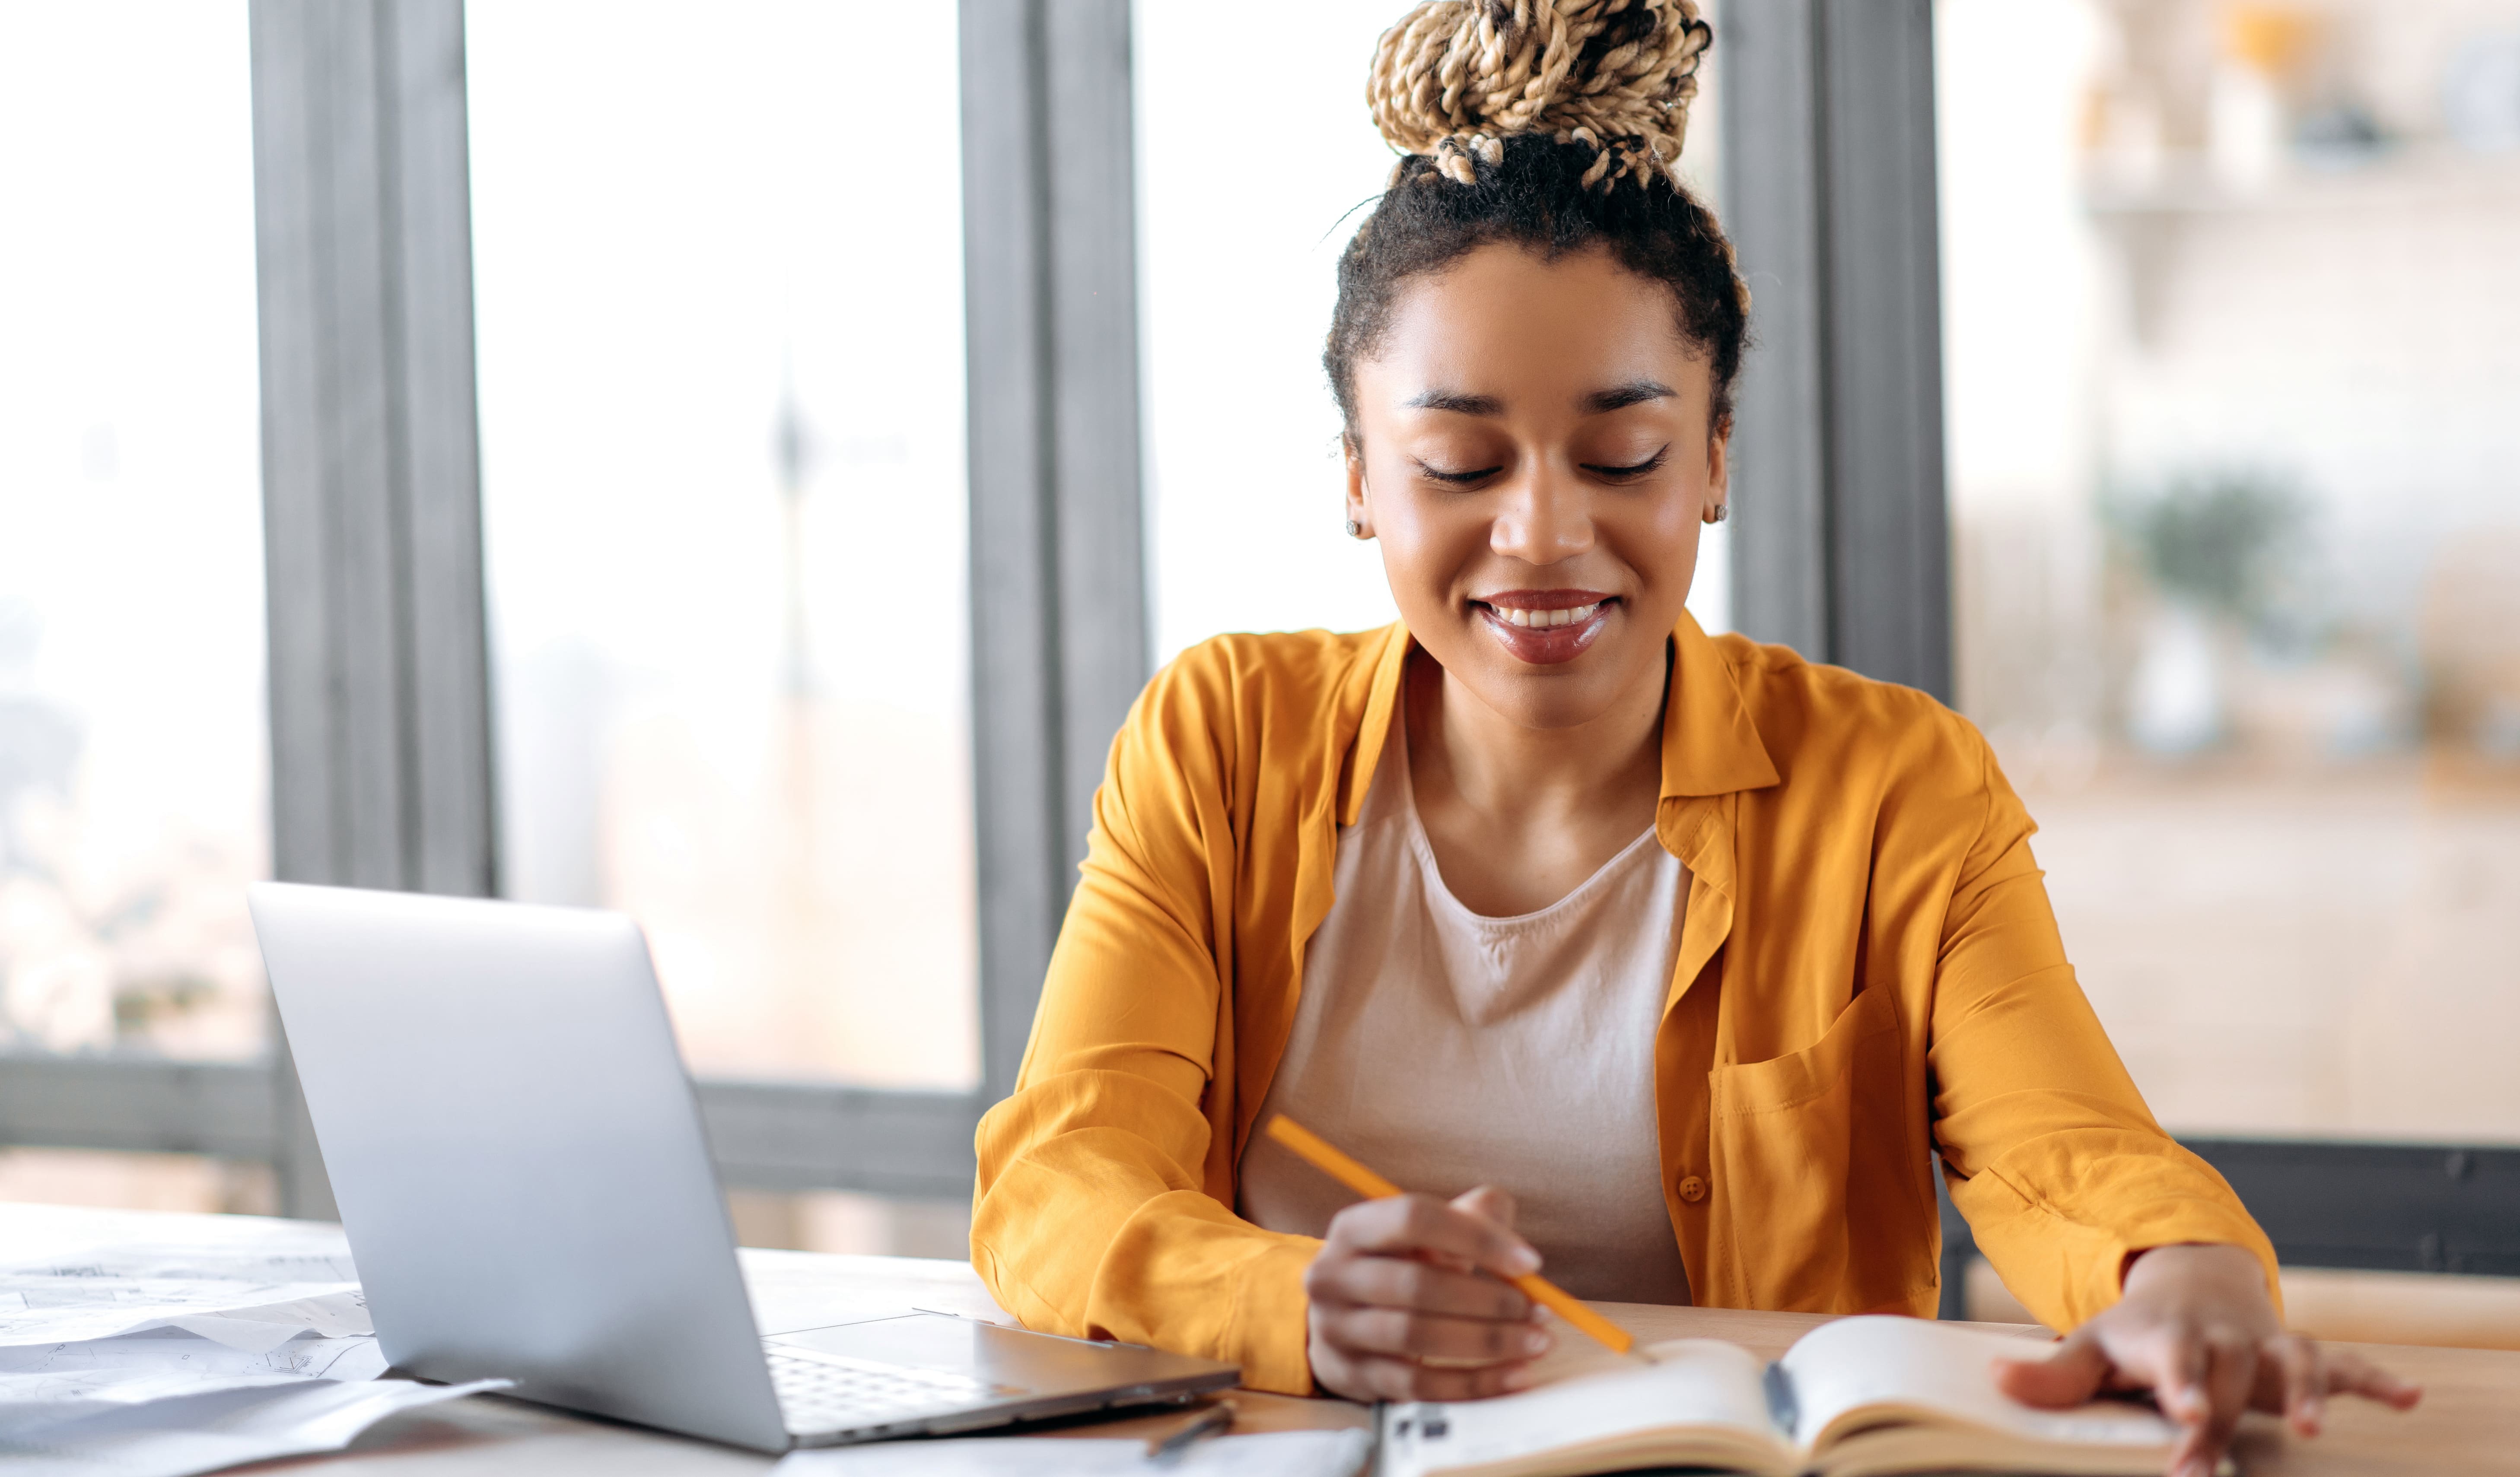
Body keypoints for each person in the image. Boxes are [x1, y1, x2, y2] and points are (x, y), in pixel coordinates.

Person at [970, 3, 2418, 1473]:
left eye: (1625, 456)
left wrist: (2186, 1281)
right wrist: (1292, 1302)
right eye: (1458, 463)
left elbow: (2070, 1152)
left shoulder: (1895, 787)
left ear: (1714, 456)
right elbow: (1059, 1179)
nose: (1542, 533)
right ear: (1358, 479)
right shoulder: (1219, 737)